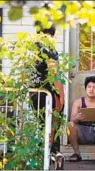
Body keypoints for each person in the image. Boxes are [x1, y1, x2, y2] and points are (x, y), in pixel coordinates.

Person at [30, 24, 65, 154]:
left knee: (41, 126)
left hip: (34, 93)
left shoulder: (31, 47)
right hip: (49, 94)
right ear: (51, 34)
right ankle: (54, 159)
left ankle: (42, 158)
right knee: (53, 127)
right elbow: (54, 73)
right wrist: (61, 94)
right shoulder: (49, 48)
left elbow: (24, 74)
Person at [67, 76, 95, 162]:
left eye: (94, 87)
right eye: (89, 87)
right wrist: (77, 118)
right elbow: (72, 120)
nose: (91, 89)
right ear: (85, 89)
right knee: (70, 125)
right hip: (82, 132)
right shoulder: (78, 102)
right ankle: (77, 154)